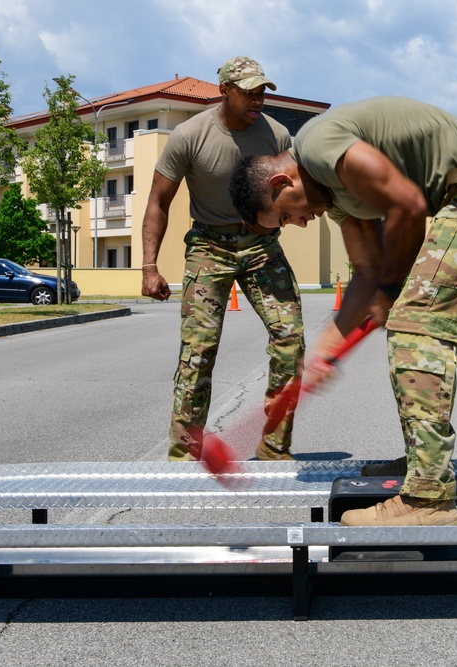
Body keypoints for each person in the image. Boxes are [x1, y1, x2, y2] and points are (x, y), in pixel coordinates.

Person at [229, 97, 457, 526]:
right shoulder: (337, 196)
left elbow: (409, 206)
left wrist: (390, 292)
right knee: (410, 322)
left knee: (417, 326)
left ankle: (428, 499)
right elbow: (368, 270)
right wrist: (326, 349)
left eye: (286, 215)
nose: (300, 223)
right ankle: (422, 464)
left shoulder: (319, 145)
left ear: (282, 182)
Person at [141, 56, 305, 462]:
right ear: (224, 91)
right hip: (208, 246)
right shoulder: (189, 135)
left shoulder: (278, 135)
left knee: (291, 340)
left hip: (262, 246)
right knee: (199, 352)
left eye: (262, 91)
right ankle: (184, 455)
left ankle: (274, 449)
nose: (257, 99)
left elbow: (296, 190)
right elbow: (158, 201)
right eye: (248, 91)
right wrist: (149, 266)